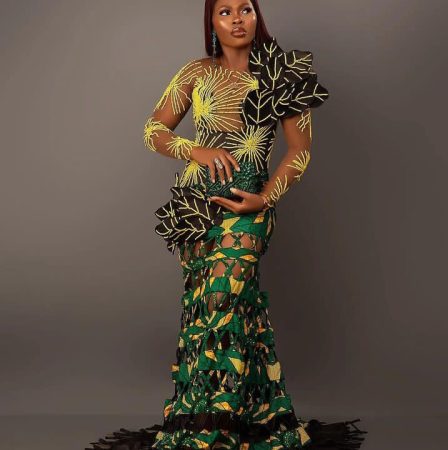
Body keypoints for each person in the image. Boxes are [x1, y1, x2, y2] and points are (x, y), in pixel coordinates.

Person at [86, 1, 367, 449]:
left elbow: (300, 150)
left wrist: (266, 198)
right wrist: (194, 150)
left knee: (223, 300)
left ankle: (213, 433)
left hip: (249, 207)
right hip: (195, 210)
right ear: (211, 23)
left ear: (257, 17)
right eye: (225, 11)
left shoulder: (282, 75)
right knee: (212, 313)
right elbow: (153, 129)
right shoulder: (195, 73)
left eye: (246, 9)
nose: (237, 19)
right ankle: (254, 421)